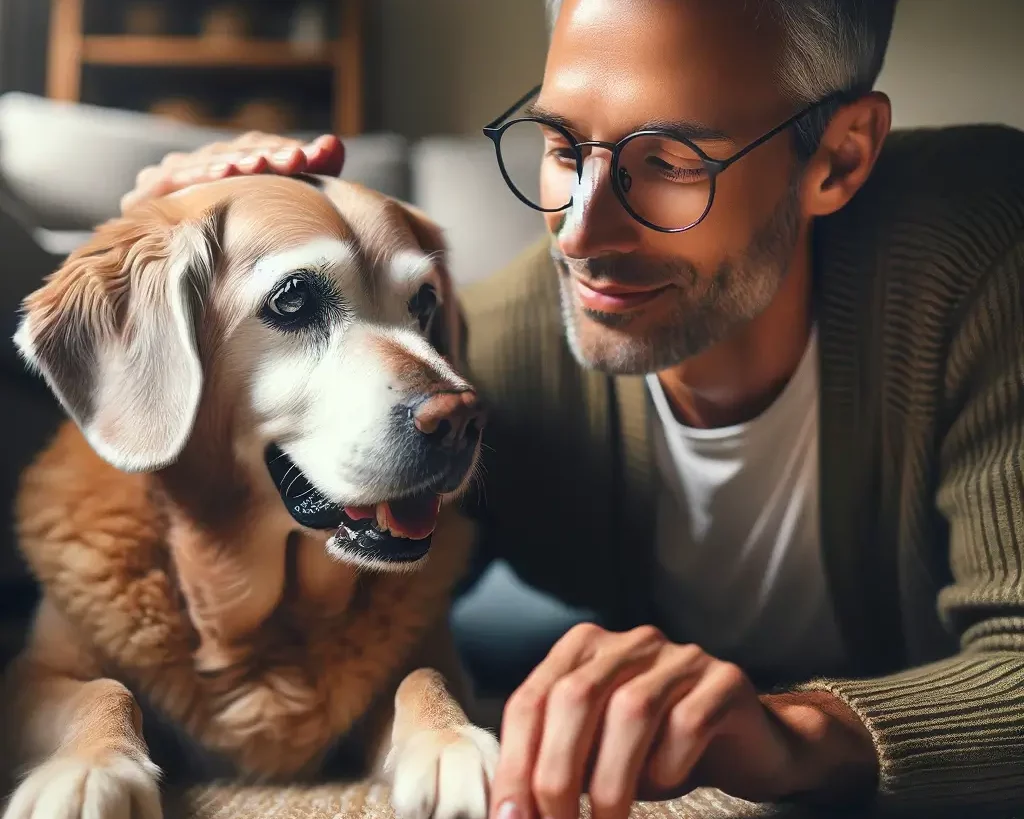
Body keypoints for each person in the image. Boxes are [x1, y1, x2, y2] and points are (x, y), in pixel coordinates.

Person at [122, 0, 1024, 817]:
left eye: (669, 162)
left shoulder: (986, 253)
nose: (580, 235)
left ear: (839, 158)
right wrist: (171, 266)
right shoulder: (498, 367)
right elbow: (287, 630)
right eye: (561, 147)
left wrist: (800, 733)